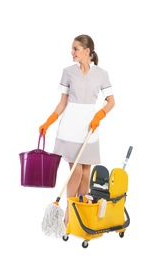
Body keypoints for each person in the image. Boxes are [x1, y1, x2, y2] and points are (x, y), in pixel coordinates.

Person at [39, 34, 115, 226]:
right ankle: (69, 212)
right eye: (72, 49)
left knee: (87, 172)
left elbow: (111, 101)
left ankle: (80, 212)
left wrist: (99, 115)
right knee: (76, 171)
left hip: (90, 126)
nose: (71, 52)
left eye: (75, 49)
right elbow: (62, 102)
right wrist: (49, 121)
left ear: (86, 51)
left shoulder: (101, 74)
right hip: (71, 127)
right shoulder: (68, 72)